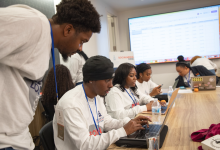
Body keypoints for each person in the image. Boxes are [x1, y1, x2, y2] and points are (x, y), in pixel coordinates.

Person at [0, 0, 101, 149]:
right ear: (68, 30)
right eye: (81, 41)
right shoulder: (34, 24)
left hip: (19, 138)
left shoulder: (44, 40)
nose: (80, 49)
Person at [53, 56, 151, 150]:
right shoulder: (71, 104)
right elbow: (85, 145)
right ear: (91, 79)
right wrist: (123, 131)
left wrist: (129, 122)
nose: (111, 85)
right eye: (107, 80)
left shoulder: (97, 95)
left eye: (111, 80)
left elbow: (106, 121)